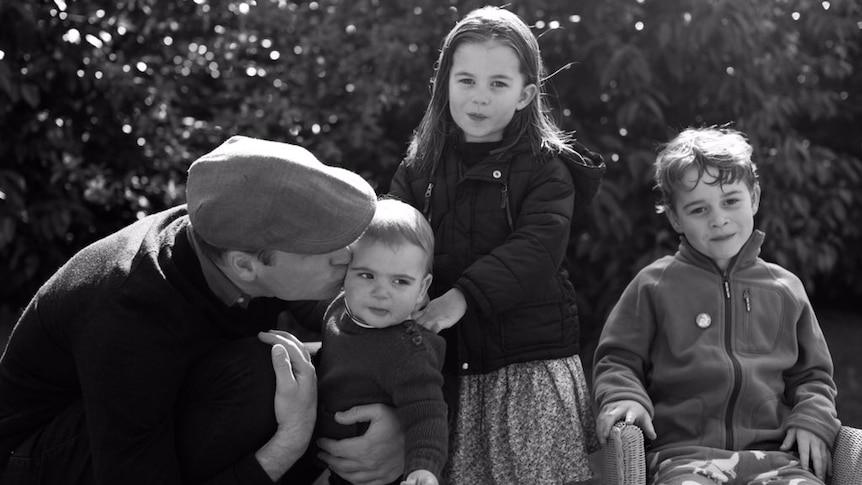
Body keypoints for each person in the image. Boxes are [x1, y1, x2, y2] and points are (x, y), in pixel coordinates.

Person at [0, 135, 405, 485]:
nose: (349, 255)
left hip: (139, 420)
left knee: (308, 373)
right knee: (266, 375)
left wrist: (398, 422)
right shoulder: (129, 315)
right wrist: (292, 441)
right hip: (36, 460)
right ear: (245, 266)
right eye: (325, 248)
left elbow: (370, 336)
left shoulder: (234, 232)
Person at [388, 6, 605, 484]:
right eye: (465, 80)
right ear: (443, 84)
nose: (478, 98)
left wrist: (459, 298)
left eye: (497, 84)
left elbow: (536, 249)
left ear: (526, 93)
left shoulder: (548, 168)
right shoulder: (419, 166)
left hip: (526, 370)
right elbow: (390, 239)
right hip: (442, 370)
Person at [593, 127, 841, 485]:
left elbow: (812, 376)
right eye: (698, 209)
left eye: (730, 201)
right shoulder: (654, 285)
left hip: (778, 457)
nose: (718, 219)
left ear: (754, 198)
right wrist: (624, 397)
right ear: (676, 219)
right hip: (684, 457)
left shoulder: (785, 288)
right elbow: (617, 360)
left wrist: (813, 419)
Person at [316, 198, 447, 485]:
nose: (381, 292)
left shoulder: (409, 352)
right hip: (335, 464)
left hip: (383, 477)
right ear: (345, 273)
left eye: (400, 282)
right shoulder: (339, 311)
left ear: (422, 288)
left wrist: (422, 469)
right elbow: (337, 358)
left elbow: (428, 417)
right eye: (367, 275)